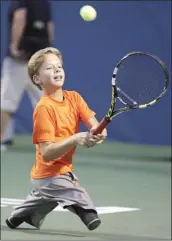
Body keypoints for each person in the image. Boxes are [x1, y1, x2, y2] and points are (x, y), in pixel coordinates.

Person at [5, 47, 107, 231]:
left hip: (60, 171)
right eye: (50, 68)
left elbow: (96, 128)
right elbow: (46, 153)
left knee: (45, 199)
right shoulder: (43, 108)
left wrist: (98, 135)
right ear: (37, 79)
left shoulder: (74, 98)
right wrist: (76, 138)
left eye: (59, 66)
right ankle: (87, 213)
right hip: (48, 174)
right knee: (77, 195)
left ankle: (20, 215)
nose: (57, 70)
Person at [1, 0, 54, 150]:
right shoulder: (45, 3)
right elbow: (50, 26)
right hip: (40, 59)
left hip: (20, 58)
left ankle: (2, 139)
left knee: (6, 101)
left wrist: (14, 46)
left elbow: (20, 18)